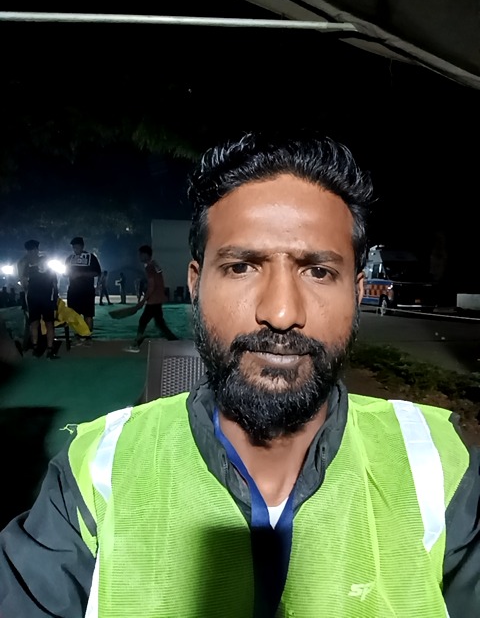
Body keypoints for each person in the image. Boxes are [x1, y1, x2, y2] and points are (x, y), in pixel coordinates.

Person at [0, 130, 478, 617]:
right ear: (196, 284)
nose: (281, 312)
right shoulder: (96, 469)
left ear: (357, 293)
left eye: (318, 271)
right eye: (242, 267)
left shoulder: (438, 467)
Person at [124, 245, 178, 352]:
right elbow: (159, 281)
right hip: (158, 298)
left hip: (153, 300)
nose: (139, 257)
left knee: (143, 321)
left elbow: (151, 286)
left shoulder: (149, 267)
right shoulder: (155, 265)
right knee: (160, 323)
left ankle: (136, 344)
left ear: (145, 254)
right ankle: (175, 341)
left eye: (140, 254)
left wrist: (143, 301)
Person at [16, 239, 59, 360]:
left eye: (34, 250)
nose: (33, 252)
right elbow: (23, 282)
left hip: (41, 296)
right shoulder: (24, 262)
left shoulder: (29, 262)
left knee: (44, 323)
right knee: (38, 323)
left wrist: (55, 294)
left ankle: (45, 349)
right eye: (31, 250)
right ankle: (40, 349)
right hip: (38, 297)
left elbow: (54, 279)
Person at [64, 236, 101, 340]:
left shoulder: (91, 257)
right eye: (73, 247)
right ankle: (79, 333)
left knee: (88, 314)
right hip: (73, 291)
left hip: (87, 290)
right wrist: (67, 274)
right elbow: (65, 272)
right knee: (74, 314)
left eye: (77, 247)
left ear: (82, 246)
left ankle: (87, 334)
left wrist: (81, 274)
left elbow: (97, 272)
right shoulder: (70, 258)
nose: (75, 250)